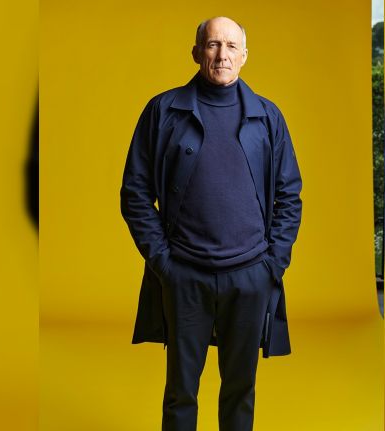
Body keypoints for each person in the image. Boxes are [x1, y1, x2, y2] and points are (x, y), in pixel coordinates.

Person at [120, 16, 302, 431]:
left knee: (241, 389)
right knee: (181, 391)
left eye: (232, 46)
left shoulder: (268, 116)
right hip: (184, 274)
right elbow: (134, 192)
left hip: (251, 274)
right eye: (213, 45)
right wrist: (163, 262)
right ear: (196, 52)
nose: (222, 55)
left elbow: (290, 195)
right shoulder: (163, 110)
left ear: (245, 56)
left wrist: (272, 264)